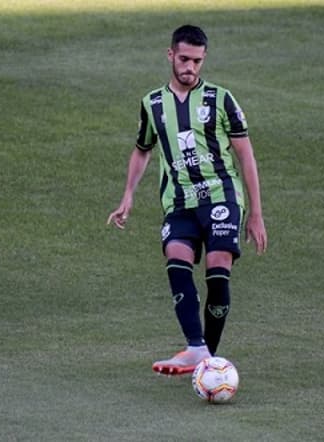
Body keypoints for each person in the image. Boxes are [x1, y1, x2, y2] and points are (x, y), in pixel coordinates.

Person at [107, 24, 267, 376]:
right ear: (170, 55)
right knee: (176, 256)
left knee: (217, 268)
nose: (190, 67)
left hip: (221, 197)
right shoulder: (152, 104)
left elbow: (246, 156)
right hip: (178, 202)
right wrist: (128, 196)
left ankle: (206, 354)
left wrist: (255, 213)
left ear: (203, 59)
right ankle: (198, 350)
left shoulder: (221, 99)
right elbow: (141, 151)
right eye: (183, 59)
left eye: (196, 61)